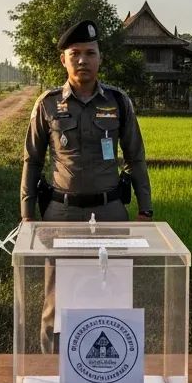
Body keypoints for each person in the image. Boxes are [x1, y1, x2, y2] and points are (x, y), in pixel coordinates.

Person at [21, 19, 153, 351]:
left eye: (90, 53)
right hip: (61, 214)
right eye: (75, 53)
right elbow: (32, 160)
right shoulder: (48, 104)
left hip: (110, 212)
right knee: (57, 294)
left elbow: (135, 157)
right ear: (63, 60)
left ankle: (113, 362)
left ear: (100, 58)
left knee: (114, 287)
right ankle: (51, 367)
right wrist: (27, 214)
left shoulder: (118, 102)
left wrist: (145, 210)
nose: (83, 60)